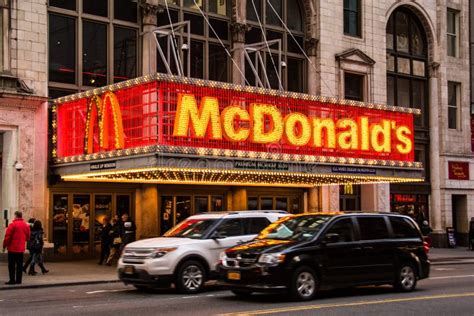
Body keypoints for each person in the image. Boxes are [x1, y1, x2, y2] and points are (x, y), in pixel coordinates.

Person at [2, 211, 30, 285]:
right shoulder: (26, 225)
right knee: (19, 265)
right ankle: (18, 280)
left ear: (16, 216)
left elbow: (7, 237)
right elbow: (28, 236)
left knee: (11, 265)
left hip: (12, 248)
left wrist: (4, 245)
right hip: (21, 249)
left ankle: (12, 280)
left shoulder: (12, 225)